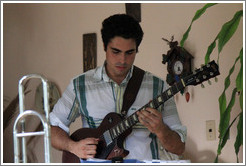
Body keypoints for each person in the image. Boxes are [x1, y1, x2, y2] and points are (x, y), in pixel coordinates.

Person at [50, 14, 187, 161]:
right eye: (116, 52)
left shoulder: (158, 87)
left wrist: (161, 130)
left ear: (137, 50)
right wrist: (73, 147)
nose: (122, 60)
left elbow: (179, 147)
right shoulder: (80, 85)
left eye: (129, 53)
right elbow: (52, 130)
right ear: (104, 47)